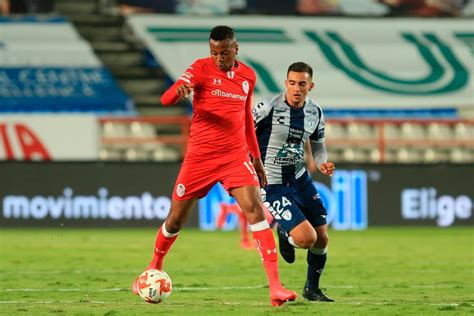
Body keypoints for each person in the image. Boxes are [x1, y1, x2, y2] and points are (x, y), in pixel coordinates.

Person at [132, 25, 297, 306]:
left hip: (234, 157)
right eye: (214, 53)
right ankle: (154, 266)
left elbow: (246, 118)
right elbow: (165, 98)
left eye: (223, 52)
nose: (219, 58)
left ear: (235, 49)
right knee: (175, 219)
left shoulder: (248, 76)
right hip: (200, 157)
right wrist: (178, 91)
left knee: (255, 210)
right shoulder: (199, 69)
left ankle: (275, 288)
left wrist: (256, 159)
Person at [252, 62, 335, 302]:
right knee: (306, 239)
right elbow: (243, 132)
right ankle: (285, 234)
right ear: (286, 83)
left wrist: (322, 163)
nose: (296, 88)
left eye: (302, 84)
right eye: (291, 83)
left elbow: (318, 146)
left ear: (310, 85)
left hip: (300, 179)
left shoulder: (315, 112)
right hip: (272, 184)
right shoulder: (267, 107)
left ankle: (312, 289)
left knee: (322, 238)